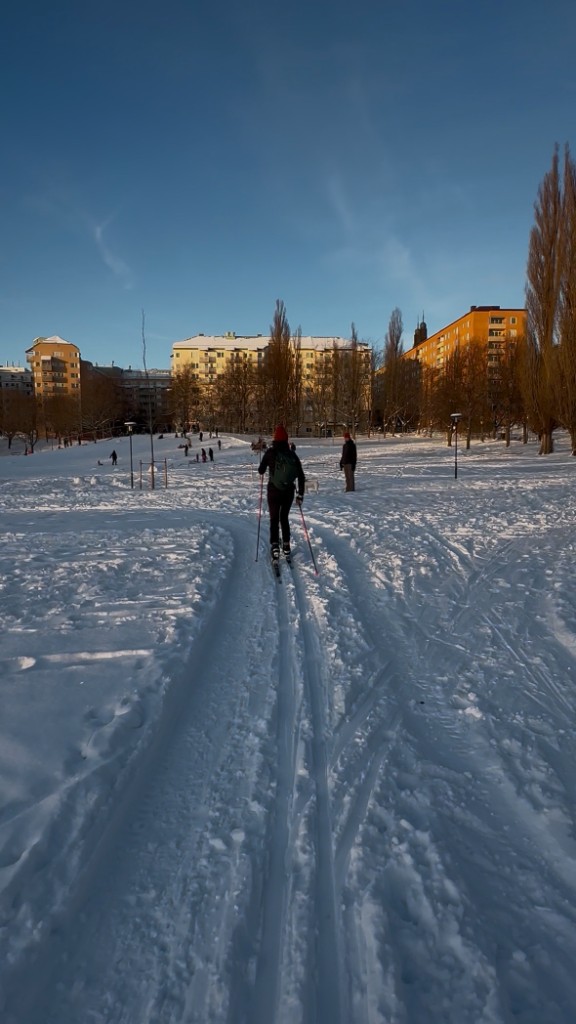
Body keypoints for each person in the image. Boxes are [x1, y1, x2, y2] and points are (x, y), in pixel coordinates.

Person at [258, 425, 305, 562]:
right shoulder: (292, 454)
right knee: (283, 517)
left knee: (274, 518)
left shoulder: (270, 453)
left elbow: (261, 471)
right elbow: (301, 476)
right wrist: (300, 495)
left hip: (273, 490)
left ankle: (274, 546)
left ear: (275, 438)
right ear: (286, 439)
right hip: (288, 492)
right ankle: (286, 545)